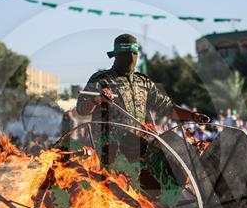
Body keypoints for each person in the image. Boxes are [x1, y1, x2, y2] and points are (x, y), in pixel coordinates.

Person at [75, 34, 208, 159]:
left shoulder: (143, 82)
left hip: (137, 147)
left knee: (175, 149)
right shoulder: (101, 80)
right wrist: (97, 100)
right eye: (126, 53)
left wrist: (193, 116)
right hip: (108, 149)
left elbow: (167, 108)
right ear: (116, 55)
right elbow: (81, 109)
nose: (131, 57)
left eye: (134, 53)